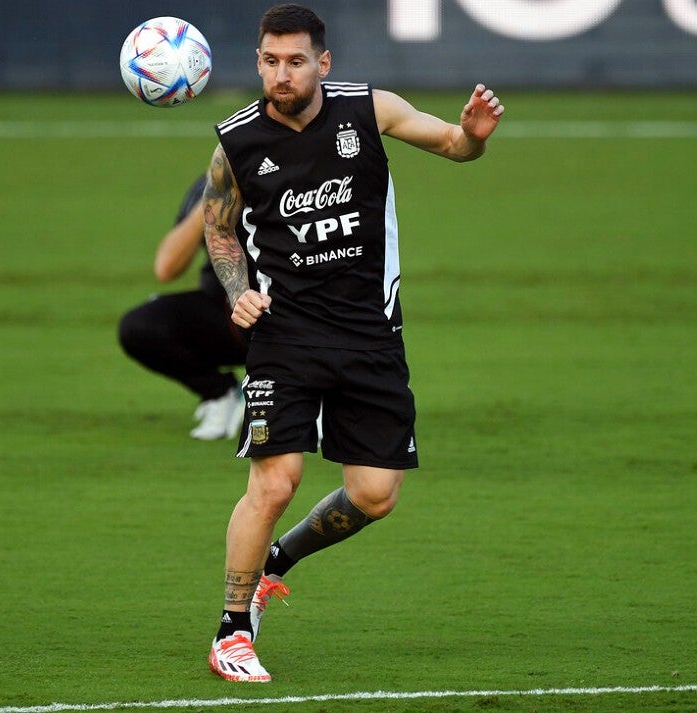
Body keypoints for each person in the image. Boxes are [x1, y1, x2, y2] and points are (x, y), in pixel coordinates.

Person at [203, 3, 504, 682]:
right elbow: (219, 227)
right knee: (275, 480)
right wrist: (236, 289)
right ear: (259, 61)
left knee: (373, 494)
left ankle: (274, 563)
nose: (282, 74)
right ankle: (230, 628)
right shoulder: (237, 141)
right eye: (271, 61)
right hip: (284, 334)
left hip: (370, 335)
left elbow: (456, 144)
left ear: (323, 63)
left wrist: (475, 135)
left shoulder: (371, 110)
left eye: (296, 61)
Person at [118, 174, 249, 440]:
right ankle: (220, 392)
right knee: (141, 326)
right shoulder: (212, 183)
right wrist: (213, 198)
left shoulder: (299, 177)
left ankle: (317, 402)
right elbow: (166, 267)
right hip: (230, 312)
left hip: (293, 313)